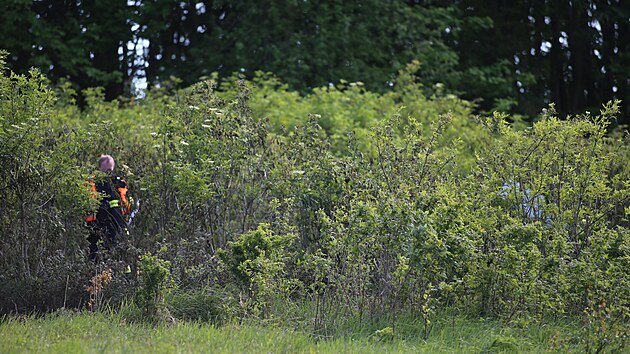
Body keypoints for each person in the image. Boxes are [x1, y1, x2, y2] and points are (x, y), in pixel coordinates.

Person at [85, 155, 132, 260]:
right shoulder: (91, 181)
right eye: (106, 169)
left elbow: (126, 202)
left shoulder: (119, 182)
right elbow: (88, 202)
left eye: (110, 169)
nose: (109, 172)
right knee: (95, 254)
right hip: (96, 225)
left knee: (118, 254)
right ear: (99, 167)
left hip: (116, 224)